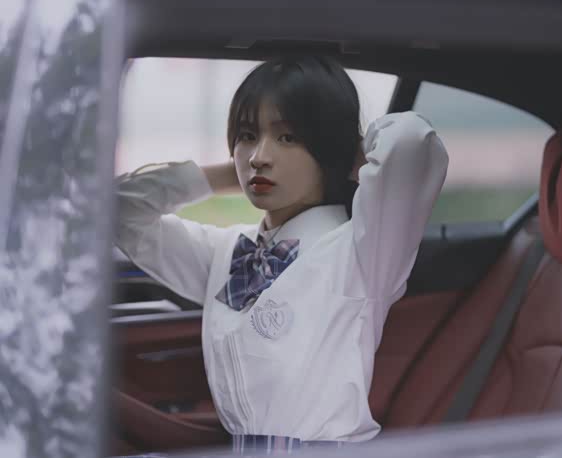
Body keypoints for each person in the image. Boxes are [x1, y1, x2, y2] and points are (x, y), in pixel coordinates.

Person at [114, 55, 449, 455]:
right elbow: (117, 210)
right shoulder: (225, 250)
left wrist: (344, 157)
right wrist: (229, 174)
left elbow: (412, 141)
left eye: (288, 137)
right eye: (247, 135)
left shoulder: (360, 251)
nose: (259, 156)